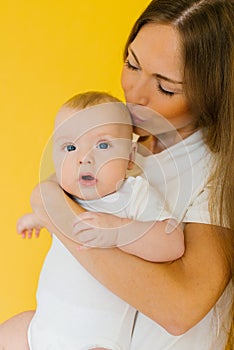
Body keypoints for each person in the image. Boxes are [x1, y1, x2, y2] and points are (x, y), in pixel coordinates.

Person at [0, 0, 233, 349]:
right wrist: (46, 200)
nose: (135, 94)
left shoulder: (216, 170)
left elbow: (179, 307)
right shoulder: (122, 136)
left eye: (166, 87)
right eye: (132, 64)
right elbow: (57, 180)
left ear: (212, 93)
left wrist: (60, 213)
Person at [0, 91, 184, 350]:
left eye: (103, 145)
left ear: (131, 156)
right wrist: (41, 219)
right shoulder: (65, 199)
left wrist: (118, 231)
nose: (84, 158)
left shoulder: (134, 196)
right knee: (11, 330)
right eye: (70, 147)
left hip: (96, 342)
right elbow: (61, 224)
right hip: (41, 328)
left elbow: (172, 242)